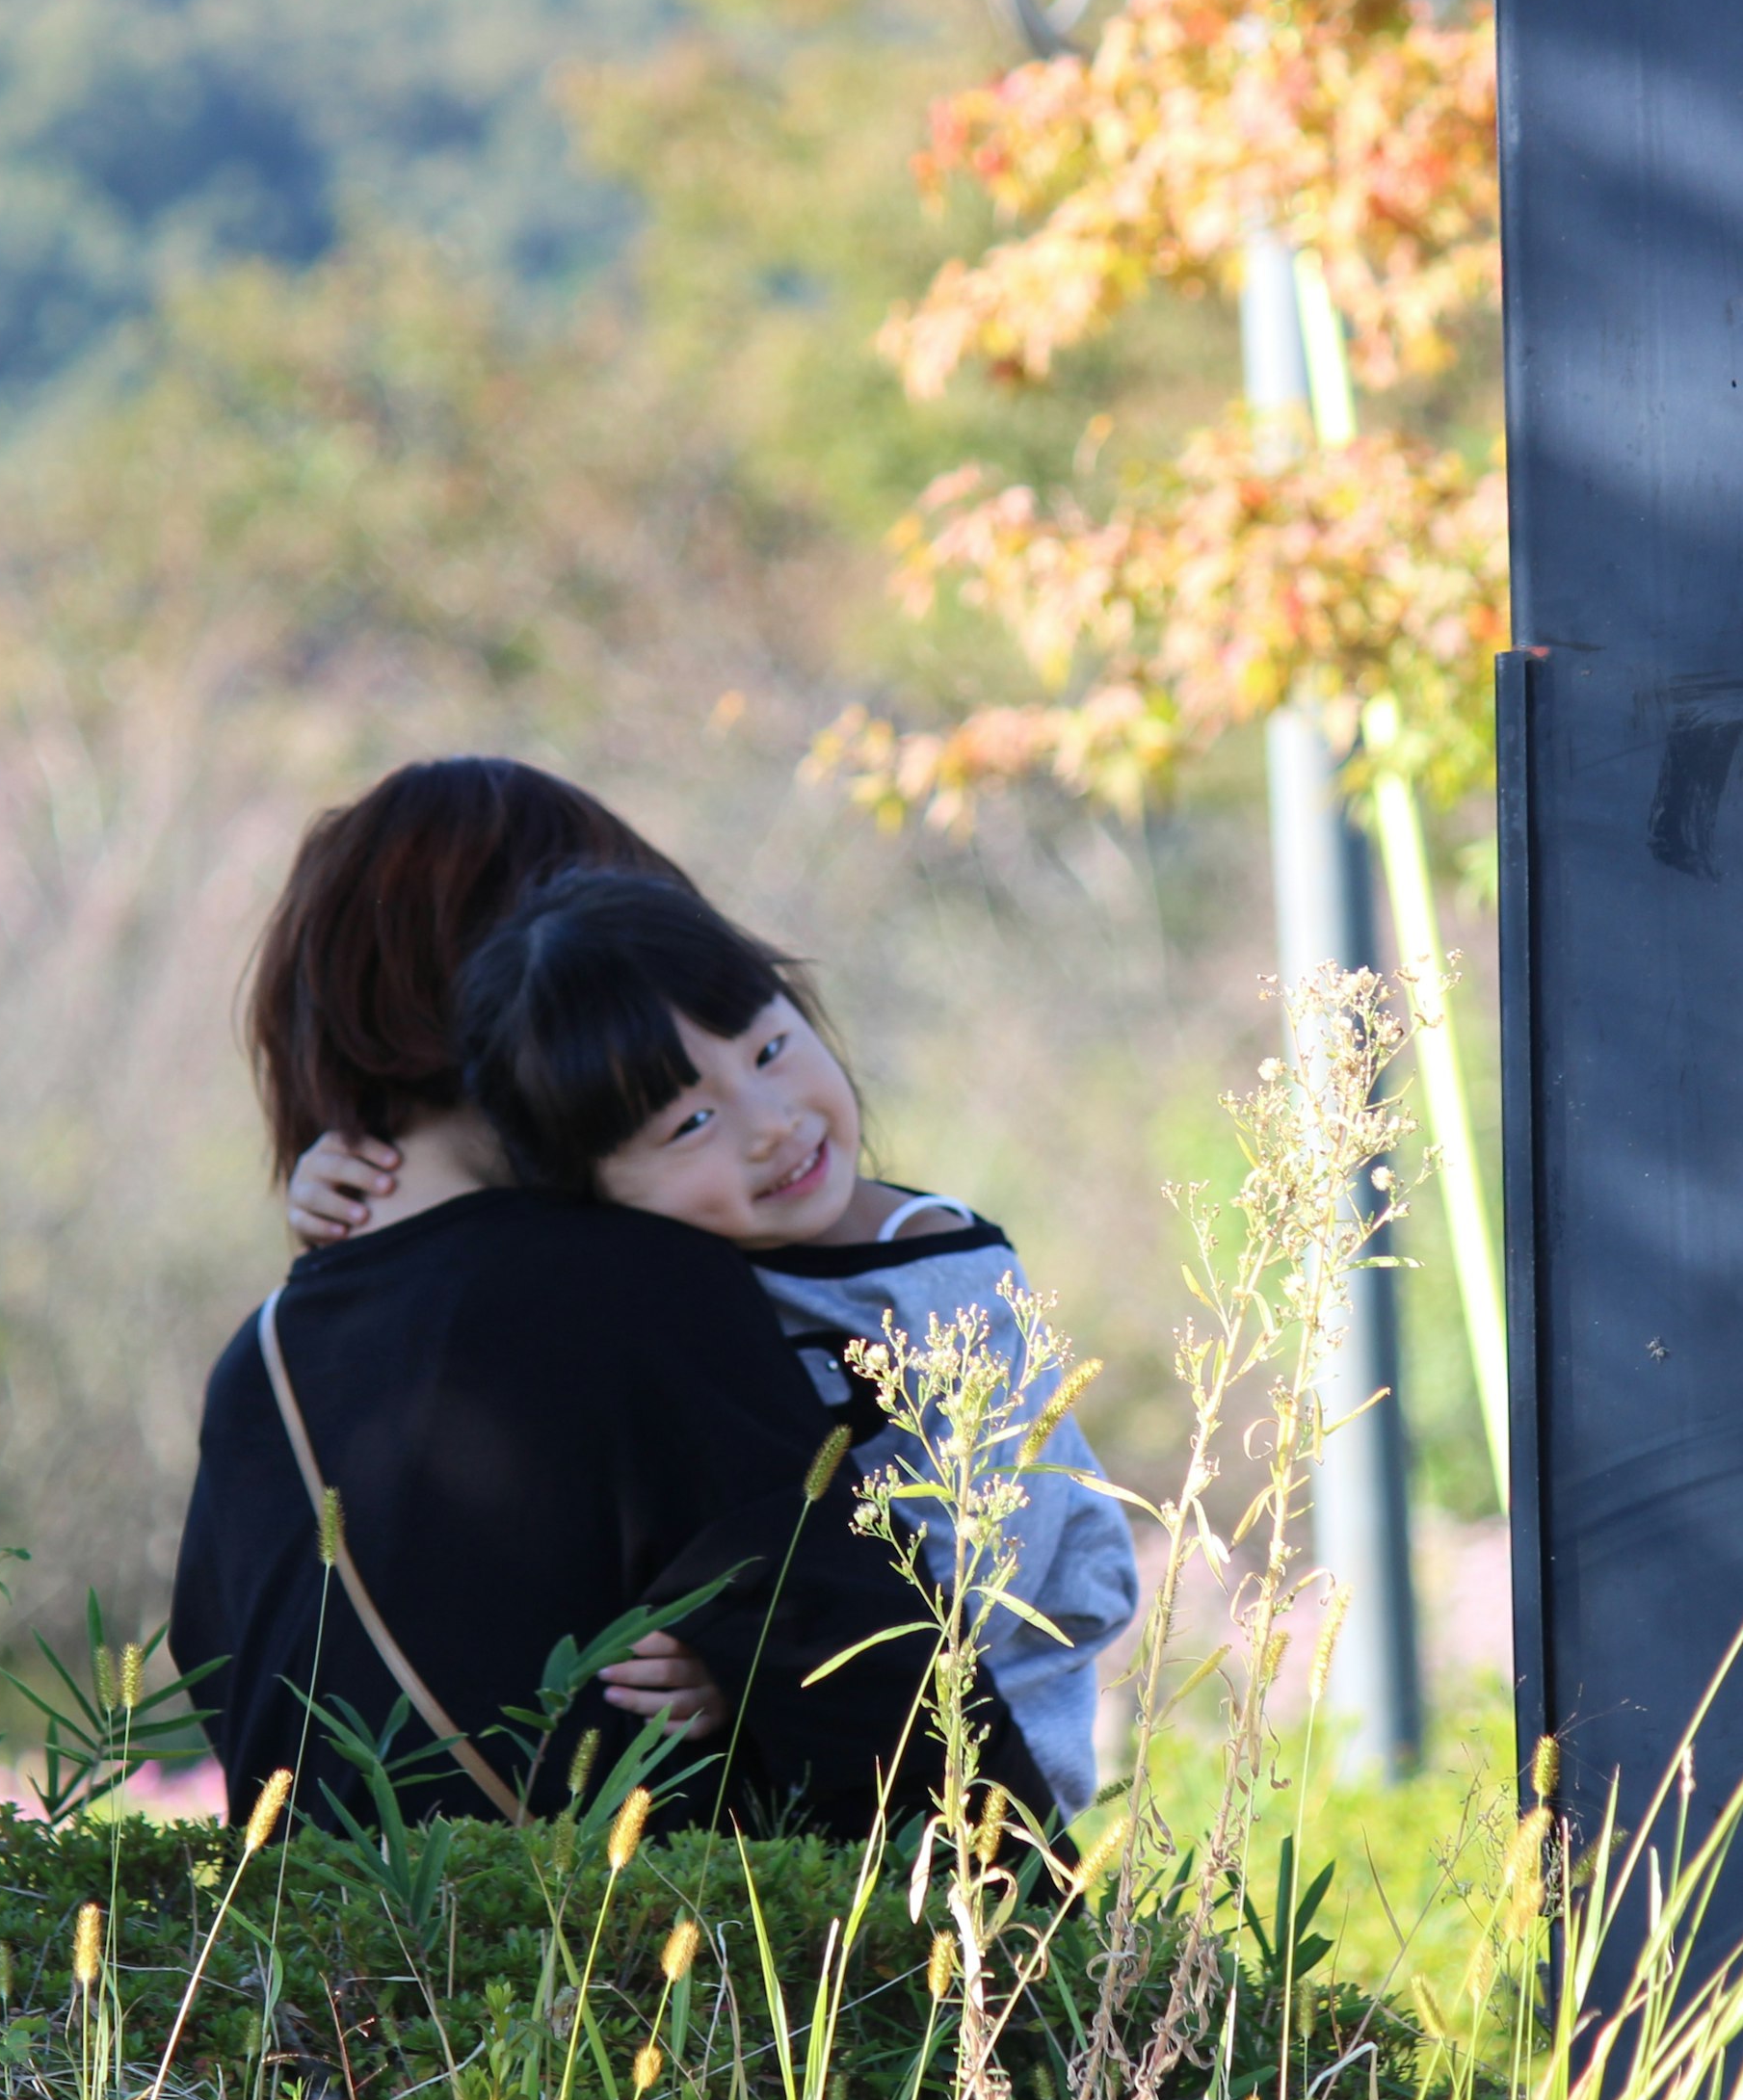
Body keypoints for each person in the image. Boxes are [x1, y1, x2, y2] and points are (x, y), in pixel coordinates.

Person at [172, 758, 909, 1836]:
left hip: (329, 1994)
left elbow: (227, 1694)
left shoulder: (260, 1361)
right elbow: (875, 1705)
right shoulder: (640, 1287)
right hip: (645, 1992)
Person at [441, 868, 1132, 1820]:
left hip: (975, 1775)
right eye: (689, 1122)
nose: (771, 1126)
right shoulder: (657, 1284)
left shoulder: (941, 1287)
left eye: (770, 1048)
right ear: (585, 1189)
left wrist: (754, 1683)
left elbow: (988, 1570)